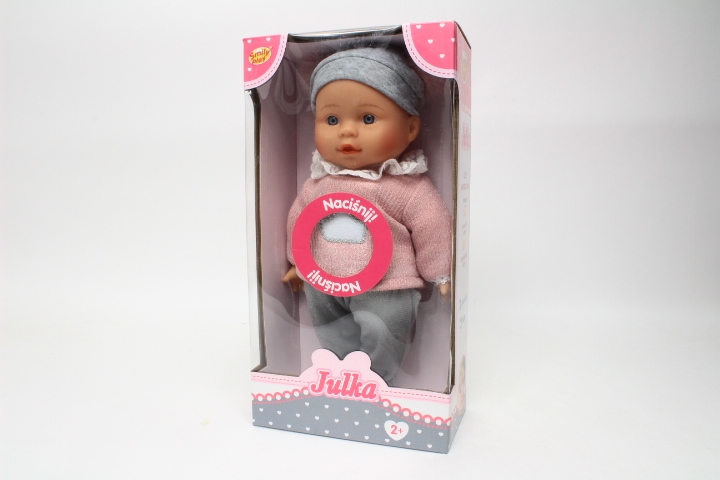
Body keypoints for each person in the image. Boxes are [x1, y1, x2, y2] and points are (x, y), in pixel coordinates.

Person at [282, 48, 452, 385]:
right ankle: (342, 377)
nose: (346, 132)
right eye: (332, 120)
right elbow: (300, 221)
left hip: (386, 284)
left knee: (384, 330)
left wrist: (440, 273)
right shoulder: (318, 184)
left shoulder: (405, 187)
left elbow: (432, 226)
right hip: (324, 281)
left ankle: (378, 381)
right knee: (330, 330)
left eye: (368, 119)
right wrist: (297, 263)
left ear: (410, 127)